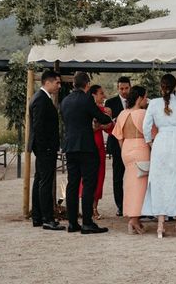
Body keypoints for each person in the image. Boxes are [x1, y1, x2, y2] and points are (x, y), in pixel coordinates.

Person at [141, 74, 176, 239]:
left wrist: (150, 142)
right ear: (174, 86)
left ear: (161, 86)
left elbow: (146, 126)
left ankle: (160, 226)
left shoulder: (154, 103)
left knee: (160, 182)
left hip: (161, 142)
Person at [60, 71, 113, 234]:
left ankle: (72, 222)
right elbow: (100, 117)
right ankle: (87, 222)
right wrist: (107, 117)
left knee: (72, 184)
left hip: (70, 146)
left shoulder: (65, 100)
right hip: (86, 147)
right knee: (89, 183)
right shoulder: (87, 99)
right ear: (87, 84)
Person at [28, 70, 64, 231]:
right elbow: (39, 127)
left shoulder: (41, 98)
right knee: (45, 182)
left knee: (40, 180)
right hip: (44, 148)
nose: (59, 85)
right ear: (47, 82)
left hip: (43, 148)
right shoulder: (41, 100)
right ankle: (47, 219)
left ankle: (38, 216)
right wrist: (47, 148)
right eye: (57, 82)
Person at [111, 85, 150, 235]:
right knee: (140, 186)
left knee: (130, 184)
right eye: (145, 97)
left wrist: (124, 151)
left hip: (126, 147)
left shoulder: (122, 114)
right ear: (139, 98)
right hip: (140, 147)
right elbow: (150, 134)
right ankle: (133, 219)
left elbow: (118, 136)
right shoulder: (143, 114)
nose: (146, 100)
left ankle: (135, 218)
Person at [78, 85, 114, 220]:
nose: (103, 96)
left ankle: (94, 207)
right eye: (101, 93)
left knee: (100, 177)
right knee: (86, 178)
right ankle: (87, 208)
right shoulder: (88, 109)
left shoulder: (103, 110)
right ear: (93, 95)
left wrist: (107, 121)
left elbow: (110, 127)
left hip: (99, 147)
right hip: (88, 145)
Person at [105, 76, 130, 217]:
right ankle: (120, 206)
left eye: (126, 88)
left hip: (132, 144)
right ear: (117, 88)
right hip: (116, 144)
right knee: (117, 177)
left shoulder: (135, 101)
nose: (124, 91)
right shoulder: (110, 102)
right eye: (121, 88)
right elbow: (107, 123)